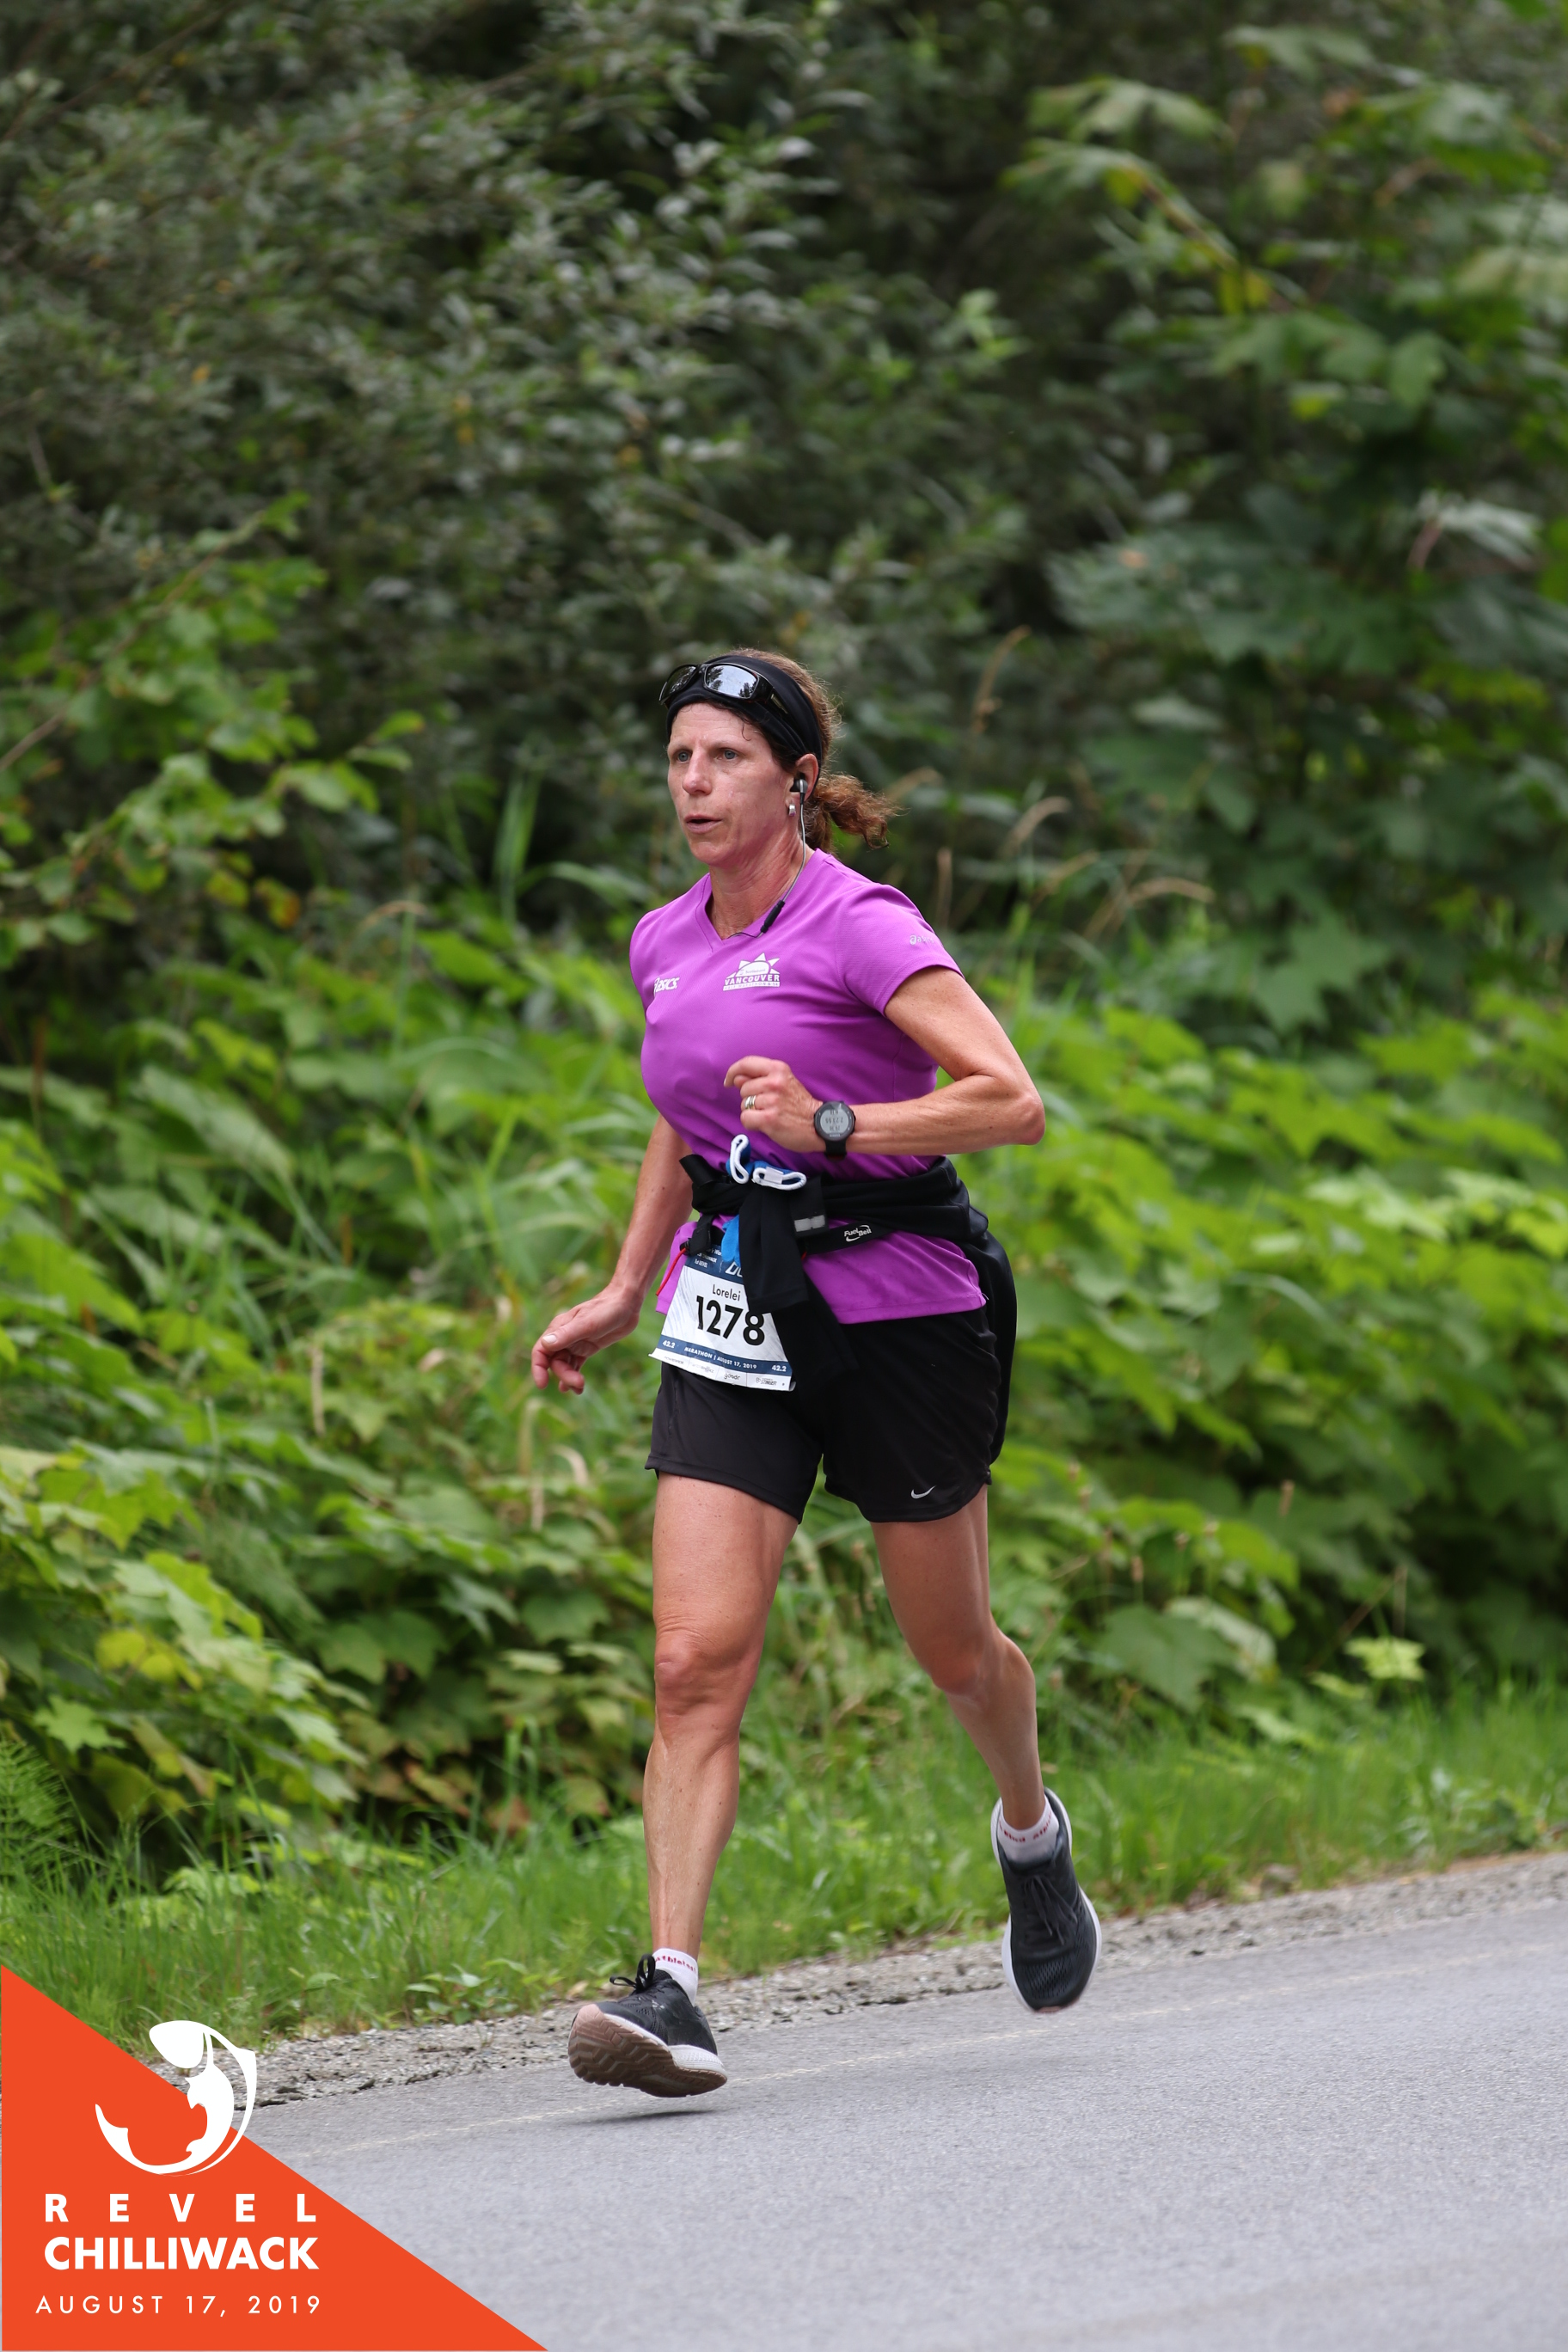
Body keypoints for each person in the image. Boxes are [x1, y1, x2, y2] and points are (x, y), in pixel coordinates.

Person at [531, 651, 1099, 2099]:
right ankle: (670, 1990)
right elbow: (687, 1118)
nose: (693, 784)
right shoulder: (664, 940)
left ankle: (1030, 1835)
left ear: (794, 779)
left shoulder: (862, 922)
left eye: (723, 758)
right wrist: (622, 1287)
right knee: (691, 1661)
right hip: (737, 1306)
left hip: (901, 1307)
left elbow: (1011, 1102)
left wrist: (838, 1122)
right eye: (678, 759)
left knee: (955, 1652)